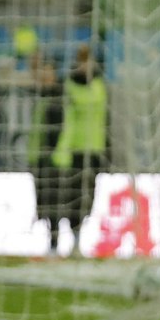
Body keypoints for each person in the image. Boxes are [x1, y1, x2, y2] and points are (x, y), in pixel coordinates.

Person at [48, 44, 107, 258]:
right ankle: (54, 243)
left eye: (89, 60)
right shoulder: (68, 85)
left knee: (86, 198)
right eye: (82, 60)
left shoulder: (100, 84)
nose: (86, 65)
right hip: (69, 150)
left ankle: (76, 241)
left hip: (93, 149)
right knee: (61, 196)